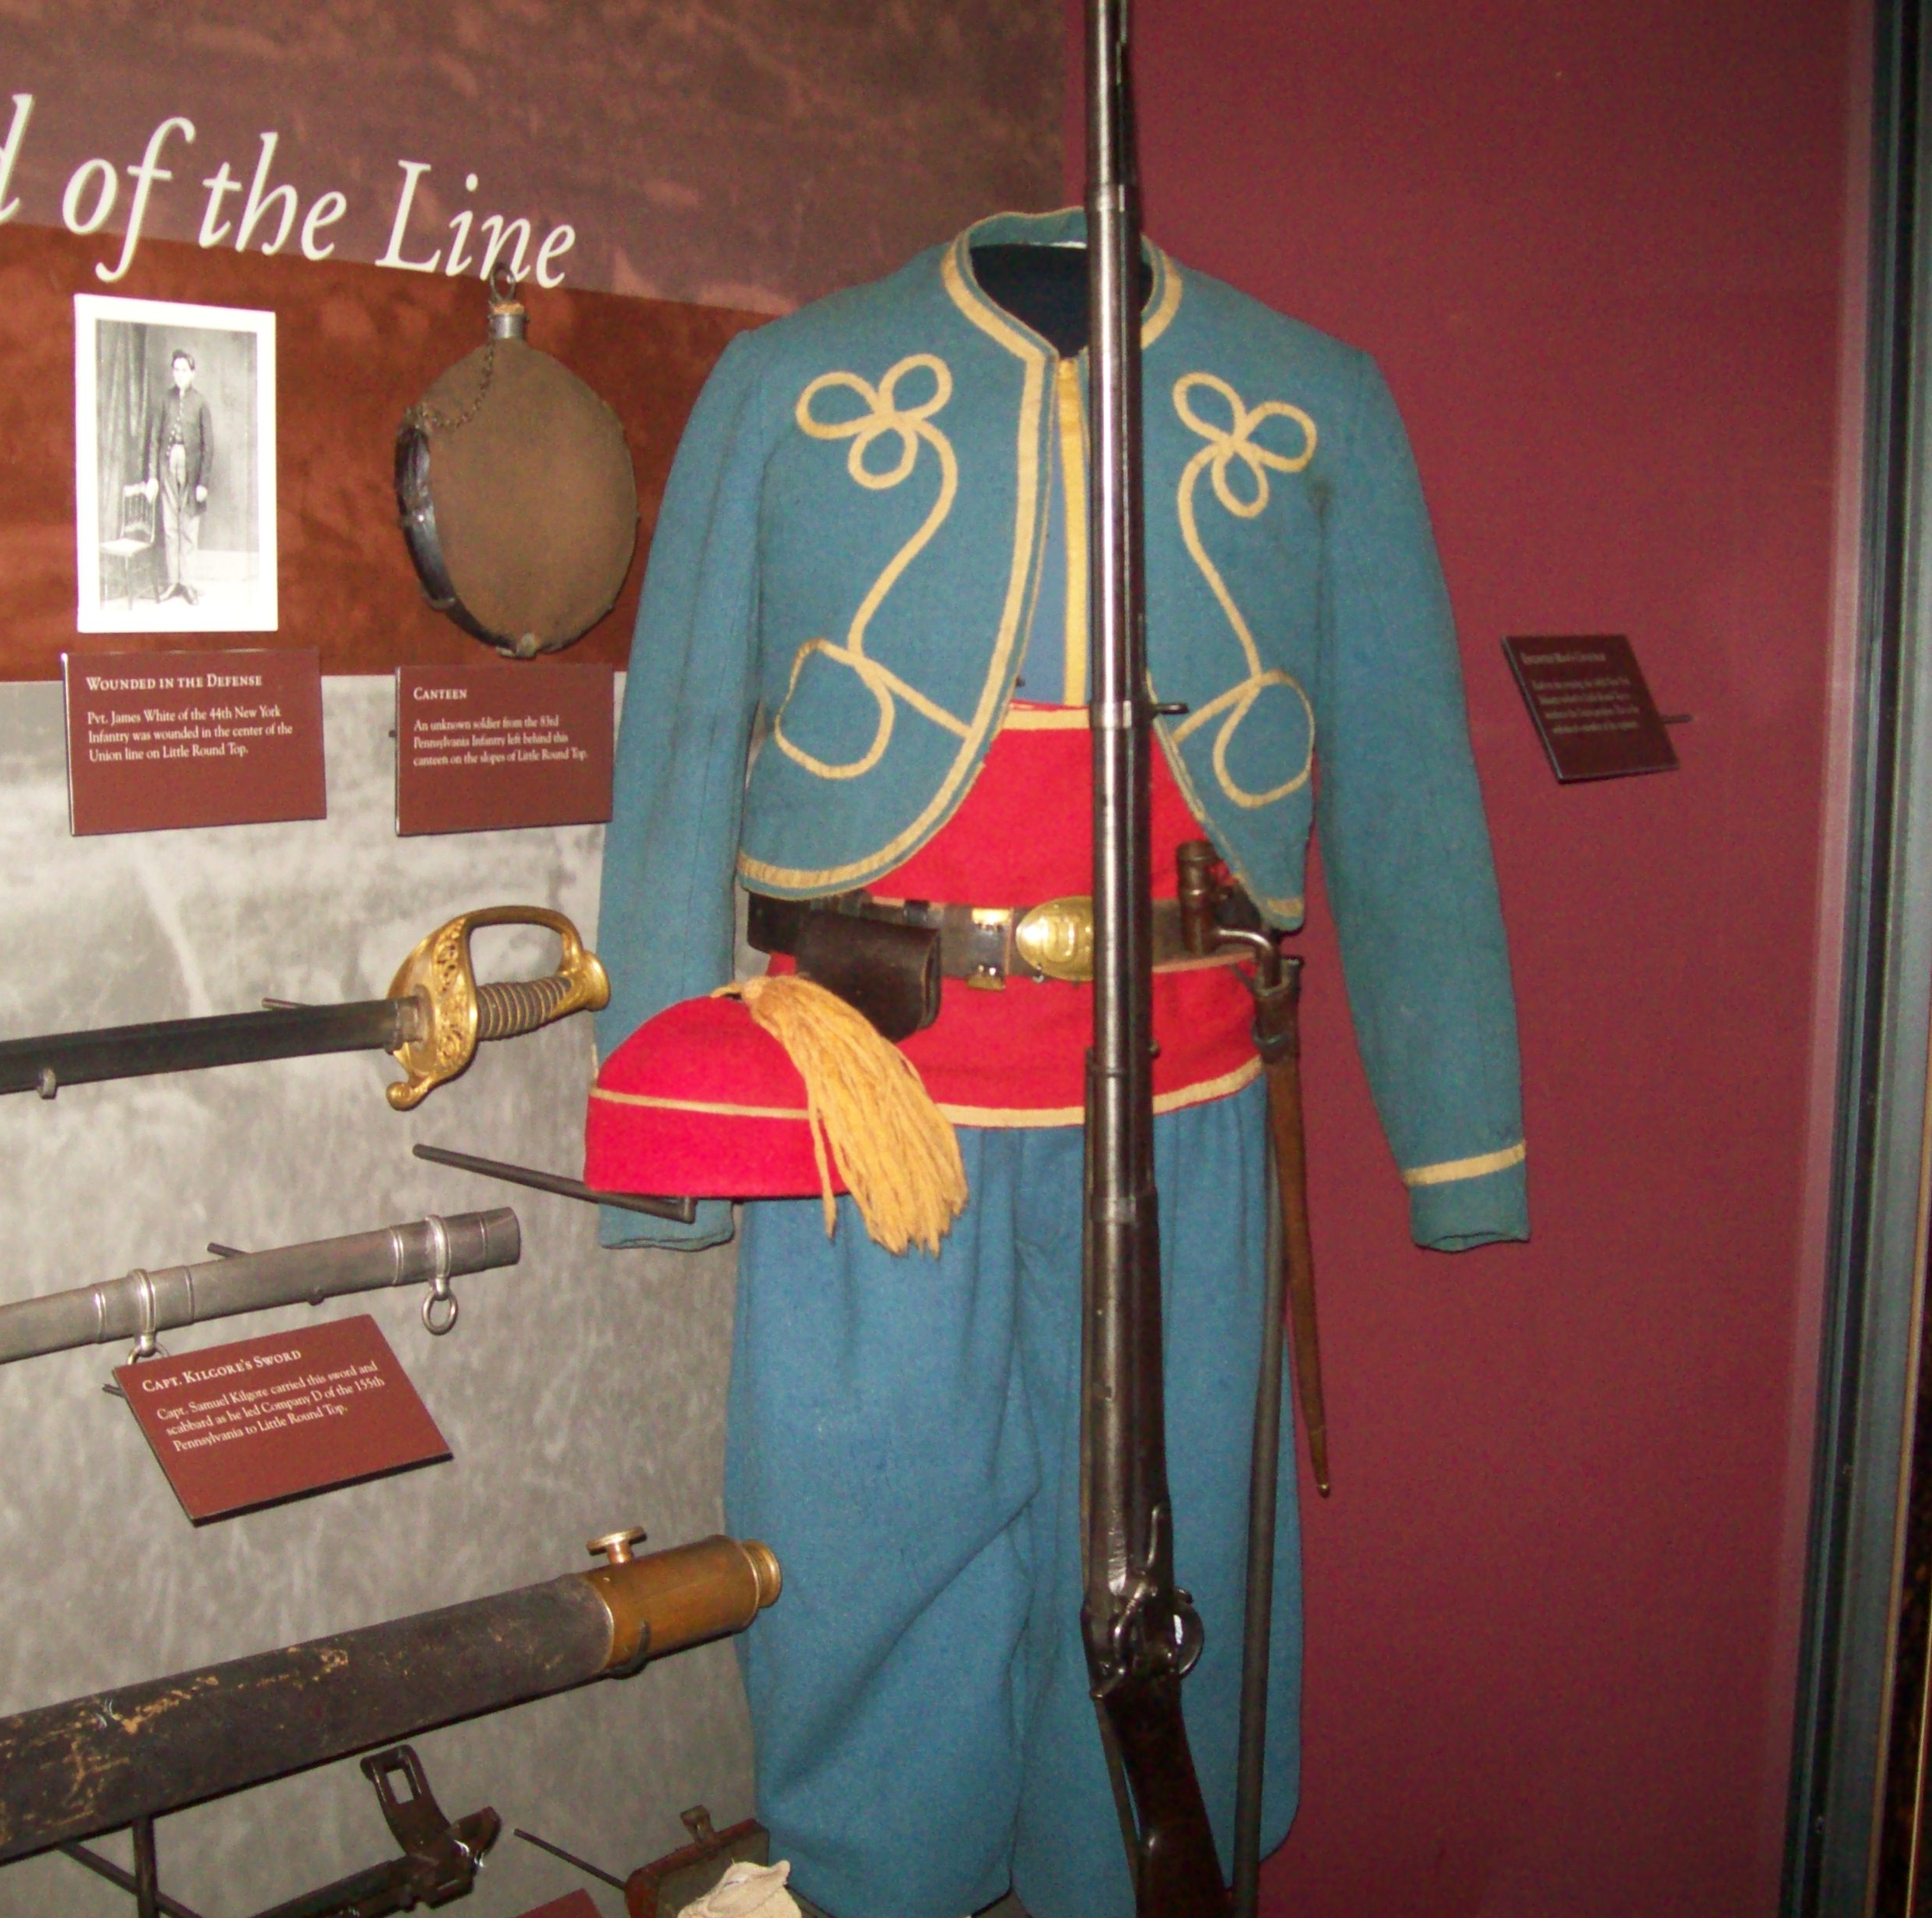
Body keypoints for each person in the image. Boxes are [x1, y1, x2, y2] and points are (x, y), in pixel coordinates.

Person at [591, 209, 1529, 1918]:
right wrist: (662, 1141)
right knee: (864, 1566)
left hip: (1183, 1124)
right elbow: (677, 745)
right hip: (870, 1121)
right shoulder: (790, 385)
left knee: (1171, 1584)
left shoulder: (1309, 399)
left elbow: (1405, 790)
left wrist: (1458, 1135)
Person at [126, 347, 211, 604]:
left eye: (184, 370)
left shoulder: (201, 403)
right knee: (170, 527)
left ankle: (187, 584)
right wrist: (153, 476)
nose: (180, 374)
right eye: (176, 369)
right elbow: (154, 440)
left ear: (193, 373)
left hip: (192, 470)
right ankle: (174, 582)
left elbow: (209, 446)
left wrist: (203, 483)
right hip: (166, 467)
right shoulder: (165, 400)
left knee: (189, 527)